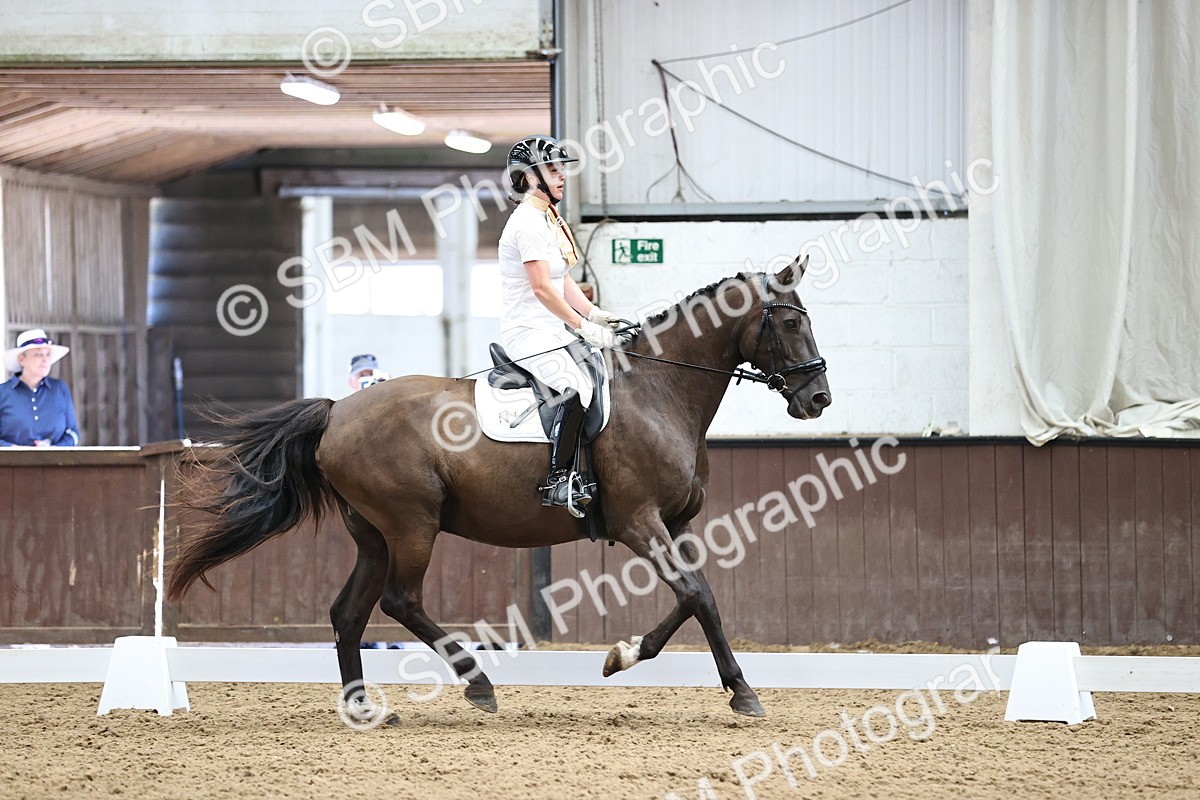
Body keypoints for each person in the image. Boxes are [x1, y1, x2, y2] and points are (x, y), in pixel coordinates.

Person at [497, 135, 622, 510]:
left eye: (562, 169)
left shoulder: (548, 219)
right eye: (553, 169)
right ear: (529, 177)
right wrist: (583, 328)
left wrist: (594, 314)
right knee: (576, 388)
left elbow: (561, 279)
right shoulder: (527, 224)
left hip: (552, 331)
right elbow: (541, 290)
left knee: (604, 374)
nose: (562, 176)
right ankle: (558, 480)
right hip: (528, 333)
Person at [0, 328, 80, 447]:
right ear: (22, 359)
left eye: (48, 354)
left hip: (55, 463)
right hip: (11, 464)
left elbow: (73, 434)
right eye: (38, 355)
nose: (45, 360)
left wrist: (52, 450)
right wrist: (14, 450)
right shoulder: (3, 393)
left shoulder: (60, 389)